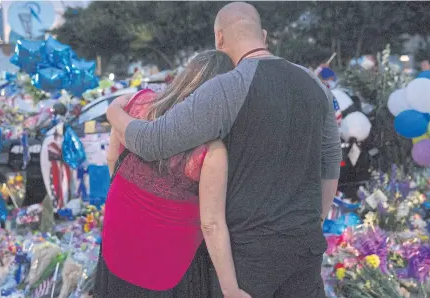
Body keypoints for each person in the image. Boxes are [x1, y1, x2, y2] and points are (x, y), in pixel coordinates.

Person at [107, 2, 342, 298]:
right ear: (264, 36)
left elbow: (153, 142)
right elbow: (331, 159)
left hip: (250, 252)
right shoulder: (314, 84)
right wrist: (316, 219)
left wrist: (115, 113)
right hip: (305, 245)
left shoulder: (228, 88)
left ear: (219, 38)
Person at [94, 50, 249, 298]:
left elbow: (113, 158)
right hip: (169, 256)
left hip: (119, 234)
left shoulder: (139, 102)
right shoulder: (210, 149)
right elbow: (211, 225)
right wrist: (231, 289)